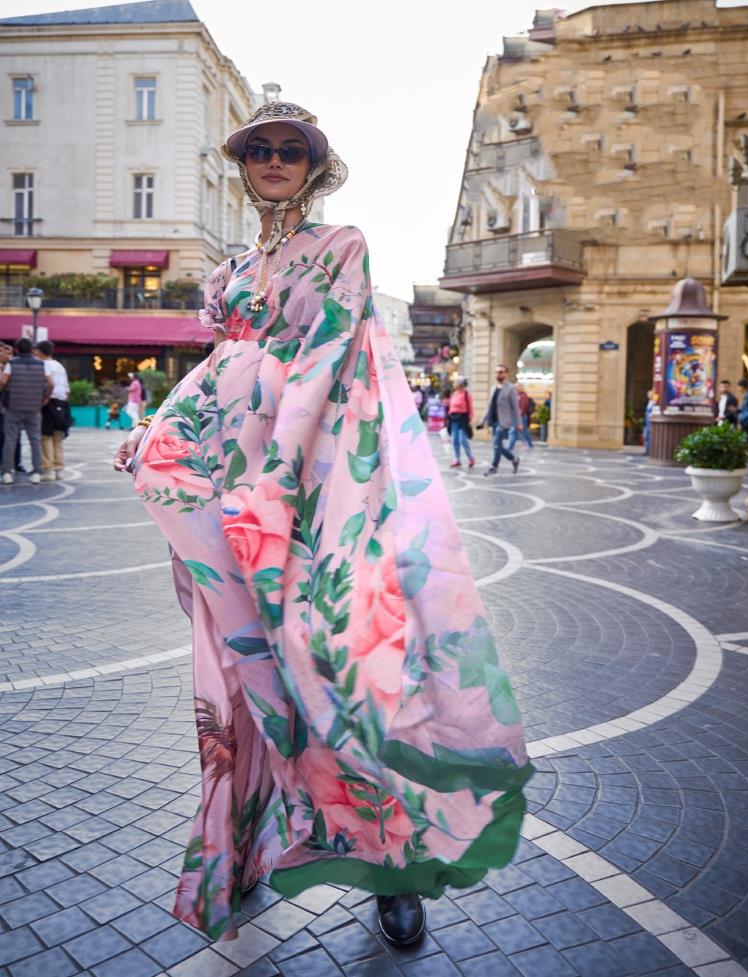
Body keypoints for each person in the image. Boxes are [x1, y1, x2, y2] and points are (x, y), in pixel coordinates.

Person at [113, 102, 530, 947]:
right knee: (242, 677)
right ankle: (243, 851)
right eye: (258, 149)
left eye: (289, 149)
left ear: (315, 166)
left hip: (316, 491)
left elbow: (333, 354)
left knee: (348, 669)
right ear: (244, 163)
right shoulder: (229, 270)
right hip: (228, 493)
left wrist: (274, 479)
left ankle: (393, 870)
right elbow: (221, 369)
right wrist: (160, 437)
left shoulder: (340, 248)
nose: (272, 160)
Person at [0, 337, 51, 485]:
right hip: (34, 407)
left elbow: (3, 381)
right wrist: (45, 397)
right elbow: (50, 383)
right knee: (35, 439)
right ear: (31, 350)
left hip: (13, 407)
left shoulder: (11, 364)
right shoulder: (41, 364)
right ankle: (37, 472)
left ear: (16, 349)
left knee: (10, 439)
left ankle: (8, 472)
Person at [35, 340, 71, 481]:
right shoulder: (59, 366)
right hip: (62, 403)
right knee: (58, 437)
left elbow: (48, 384)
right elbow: (67, 389)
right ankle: (58, 469)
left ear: (40, 352)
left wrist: (45, 399)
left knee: (46, 437)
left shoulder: (43, 365)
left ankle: (48, 469)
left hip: (49, 403)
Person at [478, 363, 522, 476]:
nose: (498, 374)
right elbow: (489, 406)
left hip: (504, 422)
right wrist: (483, 420)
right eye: (497, 372)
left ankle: (494, 467)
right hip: (494, 421)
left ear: (506, 374)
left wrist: (519, 423)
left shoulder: (511, 388)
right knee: (497, 445)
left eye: (501, 372)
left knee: (496, 444)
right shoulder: (493, 388)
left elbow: (515, 408)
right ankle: (514, 459)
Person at [0, 342, 23, 474]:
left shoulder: (14, 368)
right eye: (2, 352)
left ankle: (16, 462)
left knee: (15, 436)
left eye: (9, 353)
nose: (5, 355)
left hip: (12, 407)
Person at [447, 377, 475, 468]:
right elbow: (451, 406)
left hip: (463, 419)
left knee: (463, 440)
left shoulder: (466, 394)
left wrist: (470, 419)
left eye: (455, 382)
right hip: (454, 418)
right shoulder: (454, 394)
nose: (453, 384)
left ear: (460, 384)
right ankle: (457, 459)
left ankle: (471, 458)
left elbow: (470, 408)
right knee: (454, 440)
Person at [508, 384, 534, 451]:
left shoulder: (522, 396)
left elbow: (523, 407)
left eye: (515, 387)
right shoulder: (517, 395)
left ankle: (512, 446)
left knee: (515, 432)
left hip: (520, 417)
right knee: (522, 432)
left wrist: (518, 417)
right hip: (519, 416)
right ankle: (529, 444)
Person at [642, 389, 655, 456]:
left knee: (650, 437)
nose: (649, 395)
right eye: (648, 394)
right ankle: (646, 450)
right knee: (645, 436)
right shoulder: (648, 402)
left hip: (650, 423)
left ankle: (650, 451)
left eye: (650, 394)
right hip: (646, 423)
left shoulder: (654, 402)